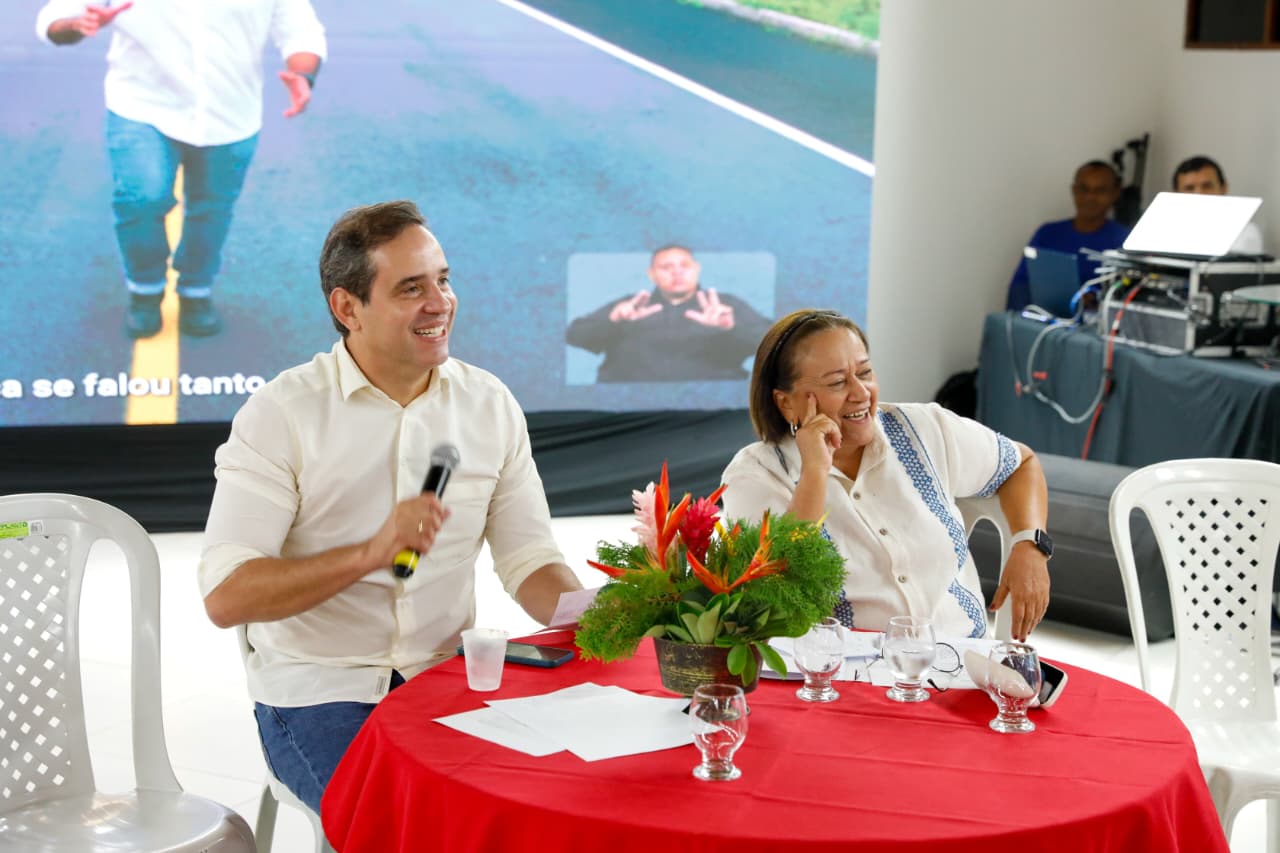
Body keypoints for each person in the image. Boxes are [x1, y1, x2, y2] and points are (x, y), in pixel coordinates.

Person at [198, 200, 582, 813]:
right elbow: (227, 595)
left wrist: (603, 613)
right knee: (411, 823)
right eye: (411, 288)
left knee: (545, 804)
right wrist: (370, 553)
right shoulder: (280, 413)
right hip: (320, 691)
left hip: (445, 678)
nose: (440, 302)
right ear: (347, 308)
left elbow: (530, 561)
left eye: (443, 280)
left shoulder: (489, 405)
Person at [721, 309, 1051, 641]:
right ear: (786, 403)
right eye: (837, 382)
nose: (861, 392)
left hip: (963, 657)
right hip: (846, 667)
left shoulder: (924, 428)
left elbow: (1021, 464)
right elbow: (777, 598)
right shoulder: (755, 476)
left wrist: (1030, 545)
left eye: (864, 373)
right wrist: (815, 471)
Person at [35, 0, 327, 338]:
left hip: (231, 113)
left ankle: (195, 290)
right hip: (142, 106)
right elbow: (55, 18)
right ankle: (145, 291)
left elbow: (300, 30)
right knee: (141, 199)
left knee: (212, 209)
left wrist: (302, 75)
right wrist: (77, 24)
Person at [565, 244, 772, 382]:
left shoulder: (724, 305)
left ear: (697, 268)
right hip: (632, 407)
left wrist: (731, 327)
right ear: (652, 274)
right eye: (666, 267)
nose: (677, 272)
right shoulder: (630, 307)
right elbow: (574, 336)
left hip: (713, 408)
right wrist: (613, 320)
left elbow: (774, 344)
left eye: (684, 265)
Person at [1006, 160, 1130, 312]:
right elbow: (1019, 288)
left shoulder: (1127, 242)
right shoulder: (1047, 234)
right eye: (1084, 189)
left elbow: (1131, 299)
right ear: (1074, 190)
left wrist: (1095, 300)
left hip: (1098, 324)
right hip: (1044, 321)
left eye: (1100, 190)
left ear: (1115, 193)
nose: (1090, 197)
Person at [1172, 155, 1265, 254]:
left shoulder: (1246, 234)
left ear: (1223, 189)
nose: (1199, 194)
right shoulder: (1164, 232)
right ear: (1175, 194)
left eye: (1207, 186)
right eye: (1189, 188)